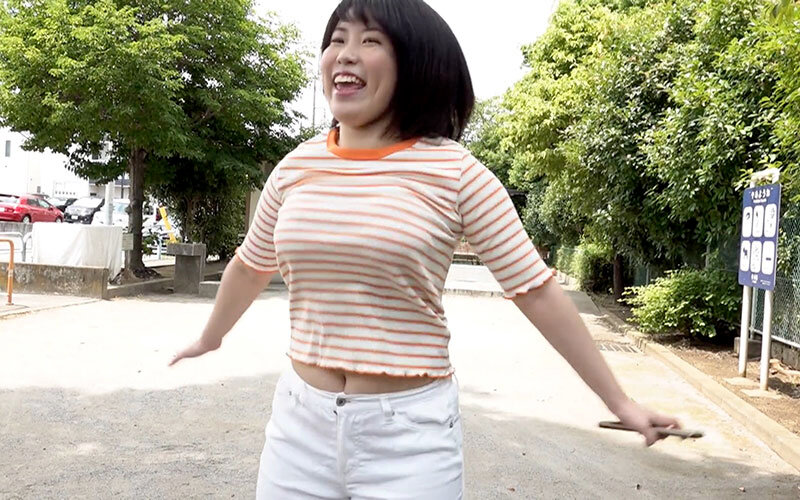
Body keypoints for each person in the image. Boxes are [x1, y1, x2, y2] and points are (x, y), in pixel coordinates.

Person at [169, 0, 681, 498]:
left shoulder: (456, 173)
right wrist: (210, 337)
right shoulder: (296, 166)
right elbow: (250, 265)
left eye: (370, 41)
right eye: (337, 40)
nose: (345, 54)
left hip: (408, 438)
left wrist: (620, 402)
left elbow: (537, 291)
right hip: (299, 426)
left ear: (414, 64)